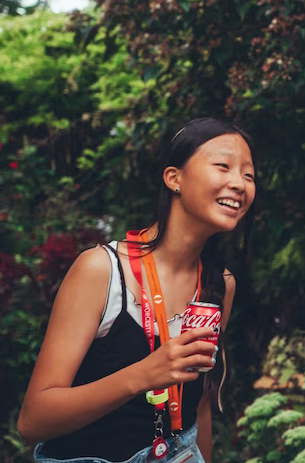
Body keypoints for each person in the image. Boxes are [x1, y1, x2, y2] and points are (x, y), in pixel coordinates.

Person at [18, 118, 256, 462]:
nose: (239, 184)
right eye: (224, 167)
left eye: (249, 175)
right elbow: (33, 420)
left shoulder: (220, 284)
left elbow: (200, 404)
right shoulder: (100, 270)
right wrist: (143, 375)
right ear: (174, 178)